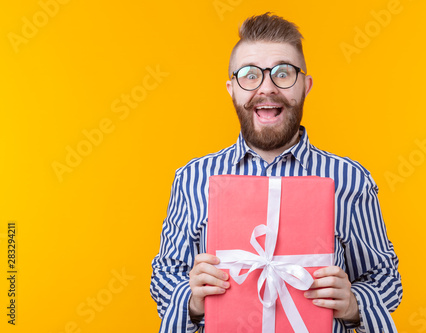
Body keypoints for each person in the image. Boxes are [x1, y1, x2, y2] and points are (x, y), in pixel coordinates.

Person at [150, 12, 402, 333]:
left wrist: (354, 304)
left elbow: (384, 278)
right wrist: (191, 299)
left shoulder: (351, 179)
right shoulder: (192, 178)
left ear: (306, 85)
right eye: (250, 75)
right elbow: (165, 274)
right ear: (232, 89)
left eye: (283, 73)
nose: (267, 88)